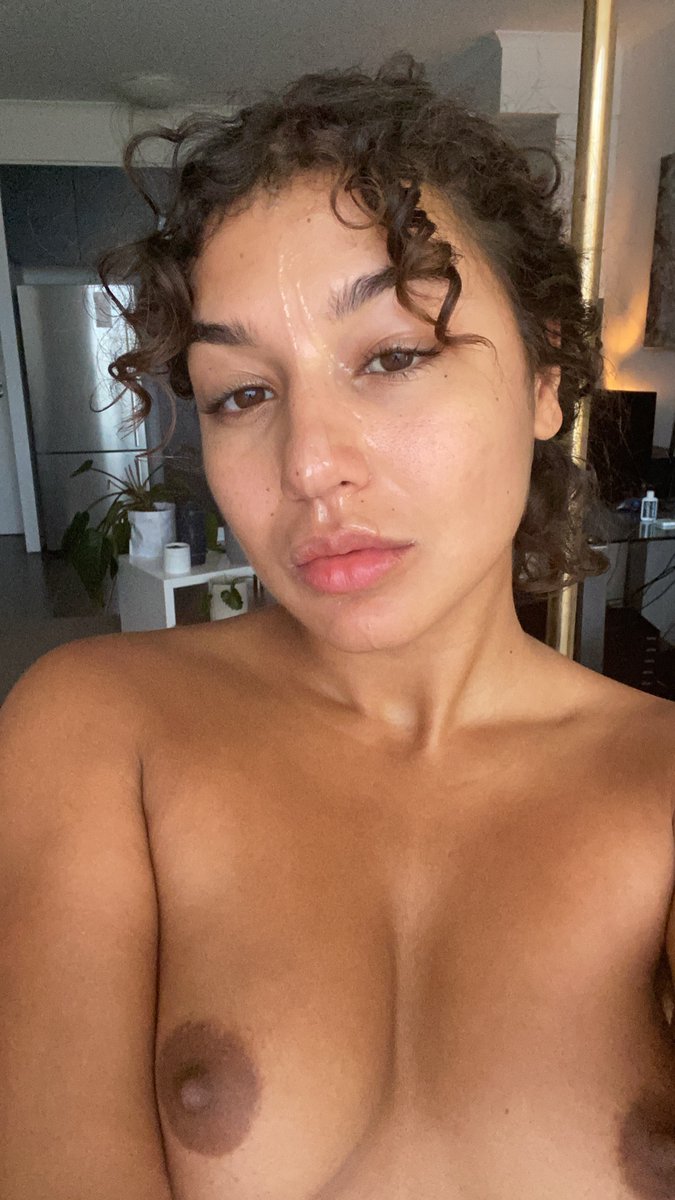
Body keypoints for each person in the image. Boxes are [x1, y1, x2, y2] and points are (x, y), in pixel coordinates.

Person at [1, 54, 674, 1200]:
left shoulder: (657, 785)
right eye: (243, 393)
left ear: (547, 379)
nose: (309, 465)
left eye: (394, 356)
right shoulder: (100, 729)